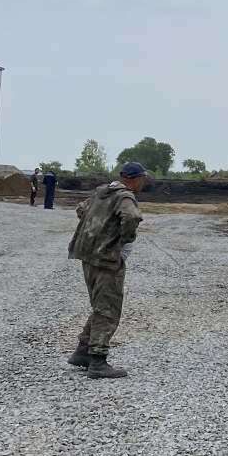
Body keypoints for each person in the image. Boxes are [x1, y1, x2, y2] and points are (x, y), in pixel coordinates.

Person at [65, 161, 146, 379]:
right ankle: (98, 362)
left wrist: (99, 231)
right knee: (108, 310)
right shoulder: (125, 197)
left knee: (100, 306)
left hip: (87, 255)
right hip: (107, 260)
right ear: (137, 179)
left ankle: (82, 352)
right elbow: (131, 217)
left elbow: (81, 209)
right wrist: (123, 239)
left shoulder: (102, 192)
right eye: (143, 180)